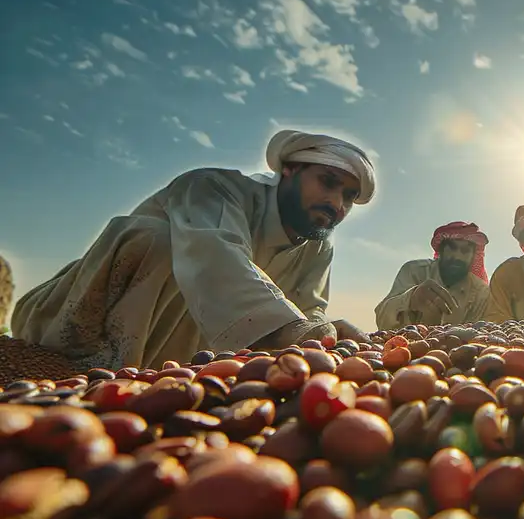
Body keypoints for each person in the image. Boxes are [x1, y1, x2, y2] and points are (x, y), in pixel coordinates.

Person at [12, 129, 376, 370]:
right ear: (290, 170)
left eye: (347, 196)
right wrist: (295, 330)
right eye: (327, 182)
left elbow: (308, 307)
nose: (336, 203)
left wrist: (322, 332)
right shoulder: (213, 187)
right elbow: (214, 256)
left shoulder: (318, 245)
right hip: (67, 323)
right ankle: (92, 371)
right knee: (157, 240)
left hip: (173, 359)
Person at [374, 222, 491, 329]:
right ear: (441, 251)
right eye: (452, 248)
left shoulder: (481, 292)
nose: (457, 257)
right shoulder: (414, 271)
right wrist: (410, 299)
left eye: (465, 251)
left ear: (473, 256)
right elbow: (381, 319)